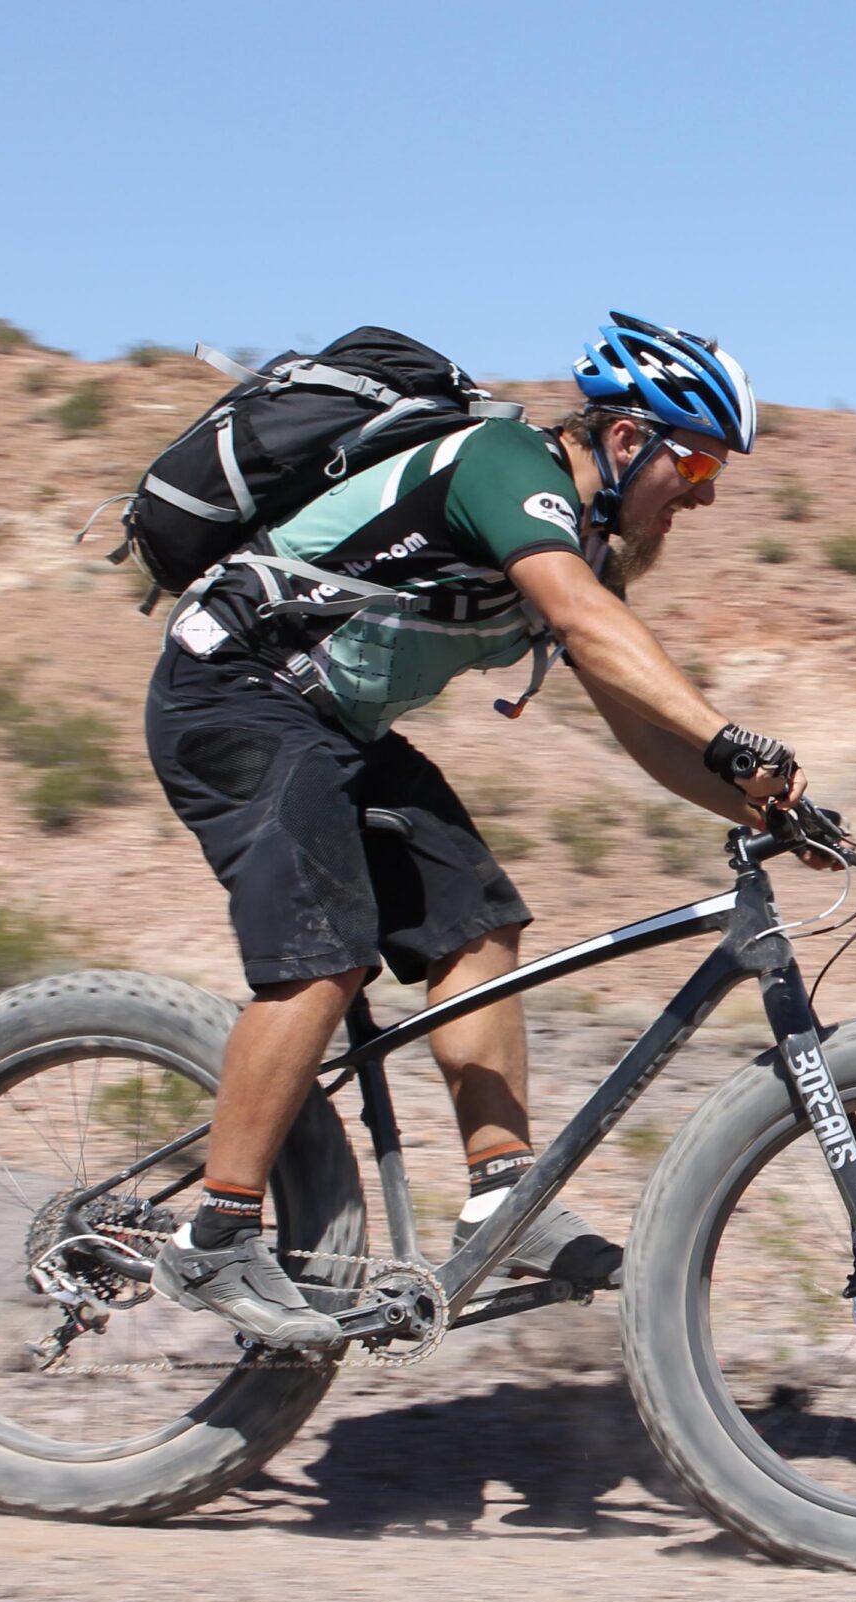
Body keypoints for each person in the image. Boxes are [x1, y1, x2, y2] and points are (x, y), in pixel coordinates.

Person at [143, 312, 815, 1347]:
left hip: (330, 726)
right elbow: (594, 629)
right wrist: (728, 735)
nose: (703, 495)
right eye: (696, 464)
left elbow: (633, 724)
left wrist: (762, 809)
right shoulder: (507, 466)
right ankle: (217, 1236)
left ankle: (504, 1198)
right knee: (326, 958)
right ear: (629, 441)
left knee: (475, 925)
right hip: (233, 694)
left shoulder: (580, 542)